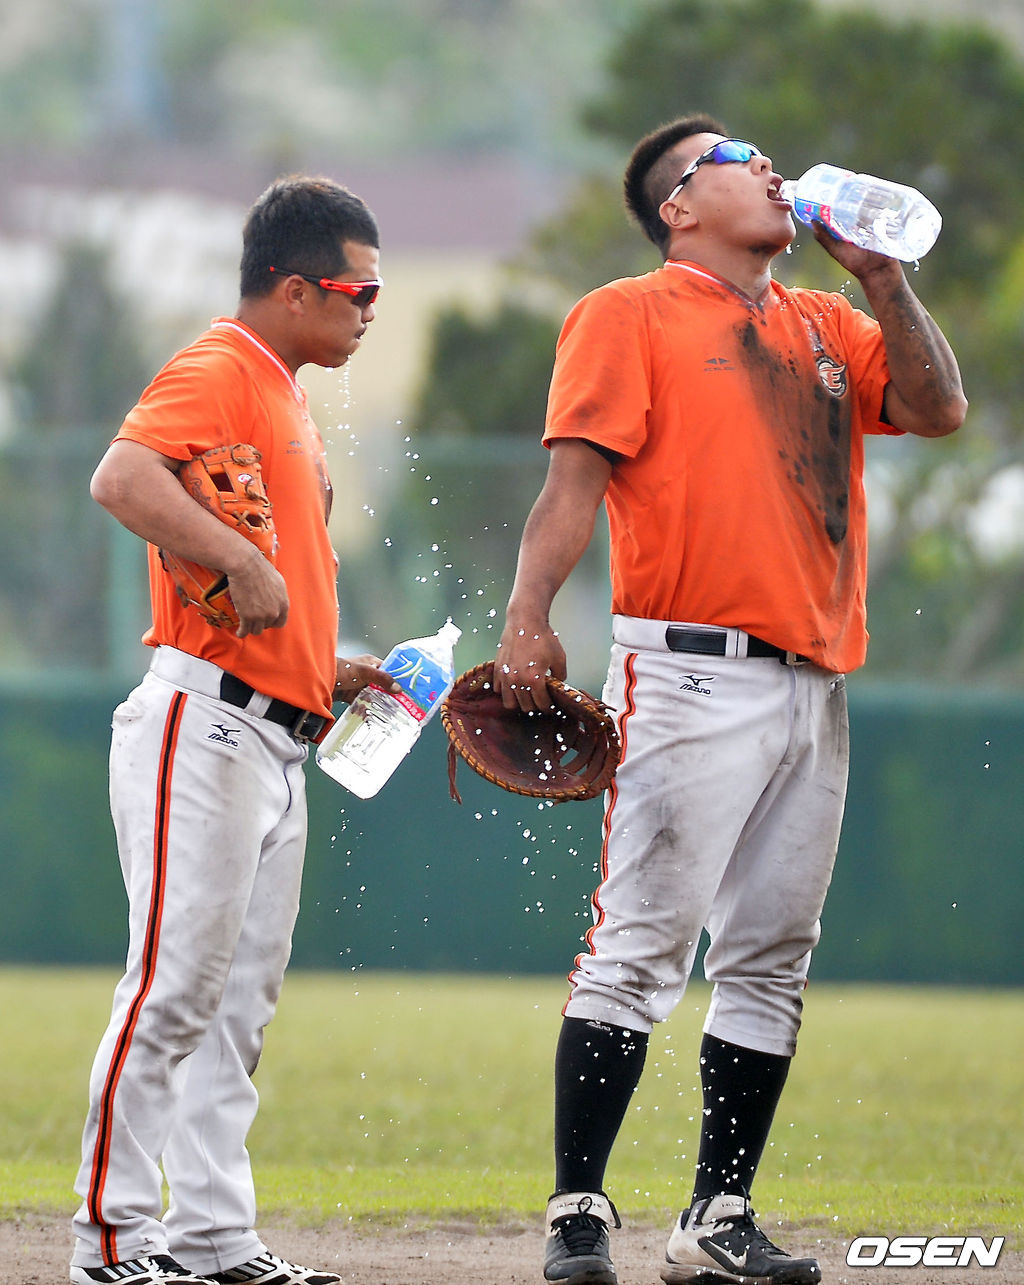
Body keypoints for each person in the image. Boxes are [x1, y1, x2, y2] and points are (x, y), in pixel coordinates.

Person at [494, 115, 966, 1285]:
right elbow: (572, 483)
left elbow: (937, 406)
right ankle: (578, 1208)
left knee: (768, 958)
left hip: (815, 682)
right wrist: (526, 617)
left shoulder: (822, 320)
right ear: (678, 207)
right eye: (734, 155)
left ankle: (716, 1215)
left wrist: (887, 282)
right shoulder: (625, 313)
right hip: (687, 669)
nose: (768, 164)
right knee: (640, 947)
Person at [72, 176, 397, 1285]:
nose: (368, 311)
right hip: (199, 727)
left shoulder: (282, 391)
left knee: (232, 1012)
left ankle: (213, 1239)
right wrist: (241, 556)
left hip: (275, 733)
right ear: (296, 287)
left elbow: (273, 591)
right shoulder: (224, 366)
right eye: (358, 291)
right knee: (171, 988)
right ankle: (110, 1242)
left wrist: (333, 670)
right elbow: (122, 476)